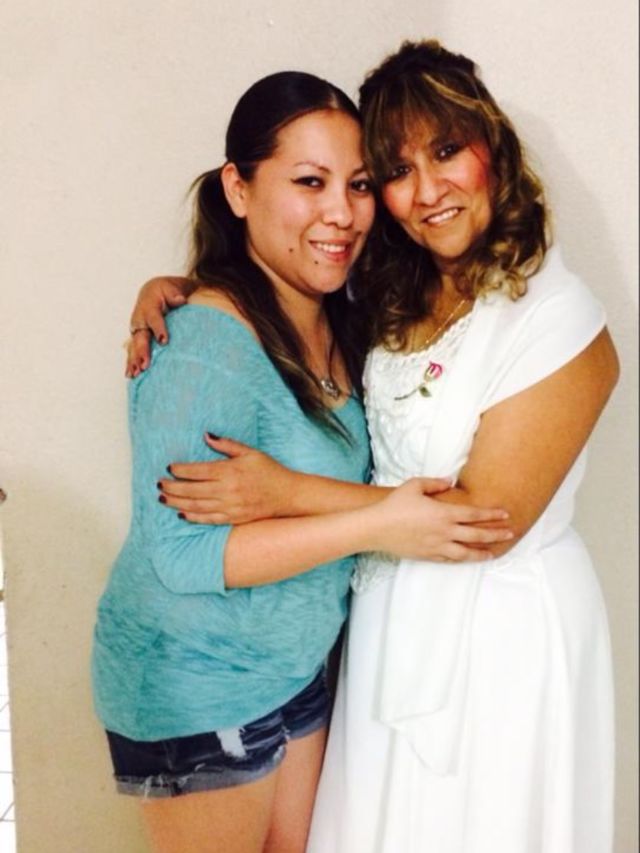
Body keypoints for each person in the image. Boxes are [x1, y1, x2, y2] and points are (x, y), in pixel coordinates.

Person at [128, 41, 619, 852]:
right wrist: (174, 288)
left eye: (447, 151)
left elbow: (481, 522)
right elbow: (271, 280)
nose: (426, 191)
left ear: (493, 148)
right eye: (394, 171)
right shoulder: (388, 289)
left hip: (501, 640)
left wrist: (288, 491)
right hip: (380, 629)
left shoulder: (559, 316)